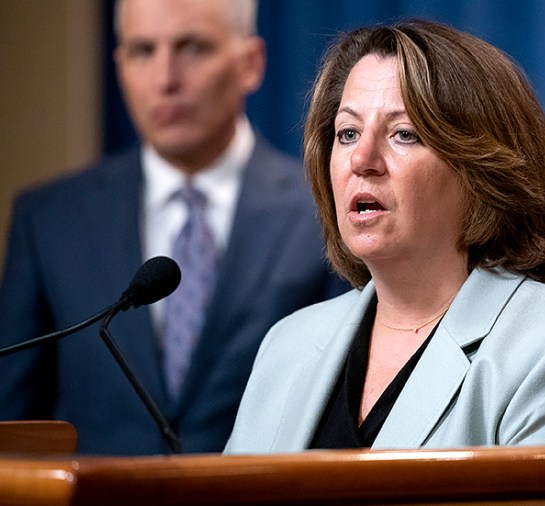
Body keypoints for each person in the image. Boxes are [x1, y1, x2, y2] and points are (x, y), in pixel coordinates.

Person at [225, 19, 545, 504]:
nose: (361, 159)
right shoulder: (289, 346)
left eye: (404, 134)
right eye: (347, 133)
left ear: (481, 168)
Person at [0, 0, 343, 455]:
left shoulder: (322, 210)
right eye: (143, 51)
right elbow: (13, 425)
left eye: (193, 47)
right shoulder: (49, 220)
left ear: (250, 64)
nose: (165, 80)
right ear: (120, 67)